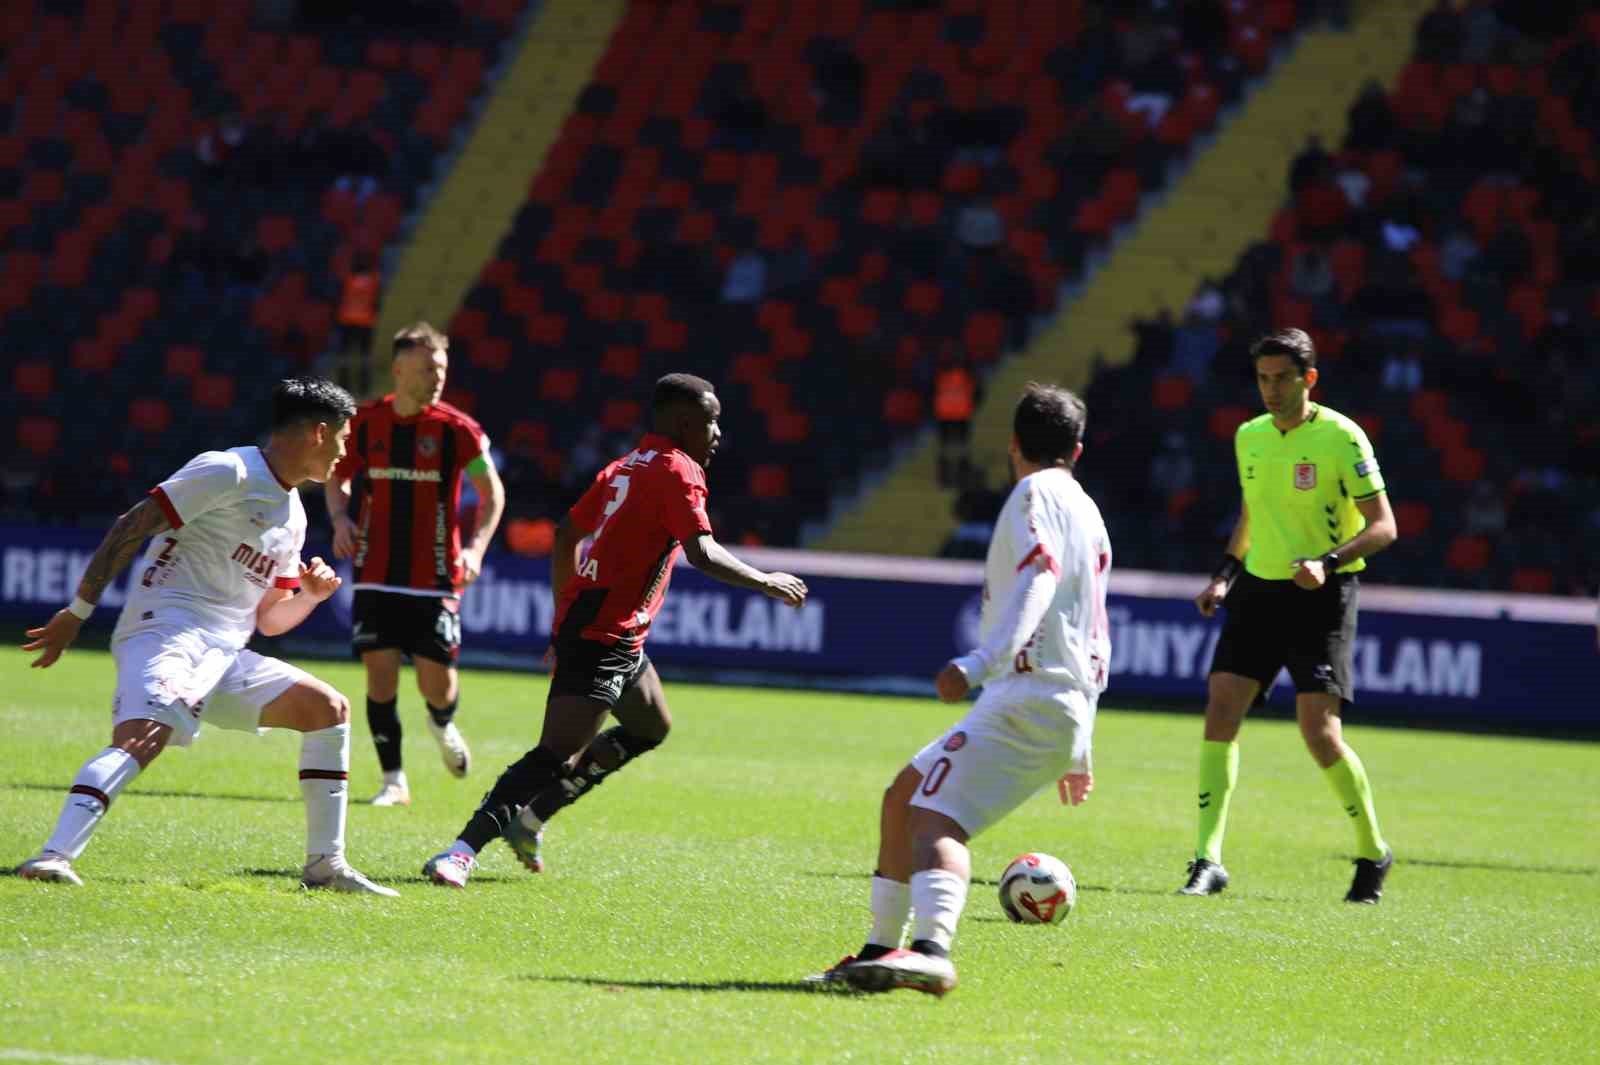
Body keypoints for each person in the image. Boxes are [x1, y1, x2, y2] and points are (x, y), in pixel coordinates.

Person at [421, 374, 809, 887]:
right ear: (684, 422)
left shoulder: (627, 464)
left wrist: (564, 611)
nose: (718, 432)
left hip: (616, 632)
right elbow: (701, 550)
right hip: (602, 634)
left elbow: (567, 535)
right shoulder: (678, 468)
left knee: (651, 726)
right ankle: (461, 852)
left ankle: (531, 819)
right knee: (553, 753)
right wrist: (764, 580)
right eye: (712, 420)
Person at [16, 378, 394, 895]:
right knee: (144, 738)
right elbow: (132, 525)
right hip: (165, 632)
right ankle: (53, 856)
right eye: (344, 440)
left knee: (328, 709)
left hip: (224, 653)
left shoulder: (295, 516)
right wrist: (78, 611)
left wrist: (307, 595)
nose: (345, 453)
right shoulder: (228, 470)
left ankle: (325, 866)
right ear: (319, 433)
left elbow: (269, 621)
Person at [819, 383, 1110, 996]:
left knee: (934, 818)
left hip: (1026, 694)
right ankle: (880, 950)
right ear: (1077, 450)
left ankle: (932, 951)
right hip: (1057, 702)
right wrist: (1082, 745)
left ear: (1012, 445)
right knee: (904, 794)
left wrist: (980, 661)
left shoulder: (1033, 494)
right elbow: (1092, 628)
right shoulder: (1088, 511)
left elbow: (1040, 575)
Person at [1183, 328, 1398, 903]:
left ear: (1309, 379)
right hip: (1258, 589)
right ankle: (1208, 859)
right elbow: (1253, 513)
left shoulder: (1342, 437)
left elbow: (1384, 526)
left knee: (1318, 732)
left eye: (1282, 378)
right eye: (1263, 378)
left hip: (1322, 596)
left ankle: (1373, 852)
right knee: (1220, 708)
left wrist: (1327, 562)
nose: (1271, 389)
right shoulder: (1250, 437)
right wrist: (1225, 576)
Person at [325, 322, 505, 807]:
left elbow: (492, 494)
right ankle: (394, 781)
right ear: (399, 369)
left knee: (437, 684)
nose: (437, 376)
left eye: (442, 368)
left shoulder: (458, 431)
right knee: (379, 675)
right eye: (428, 368)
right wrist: (340, 517)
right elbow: (337, 477)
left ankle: (442, 721)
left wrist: (476, 550)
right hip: (376, 571)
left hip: (435, 575)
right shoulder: (364, 423)